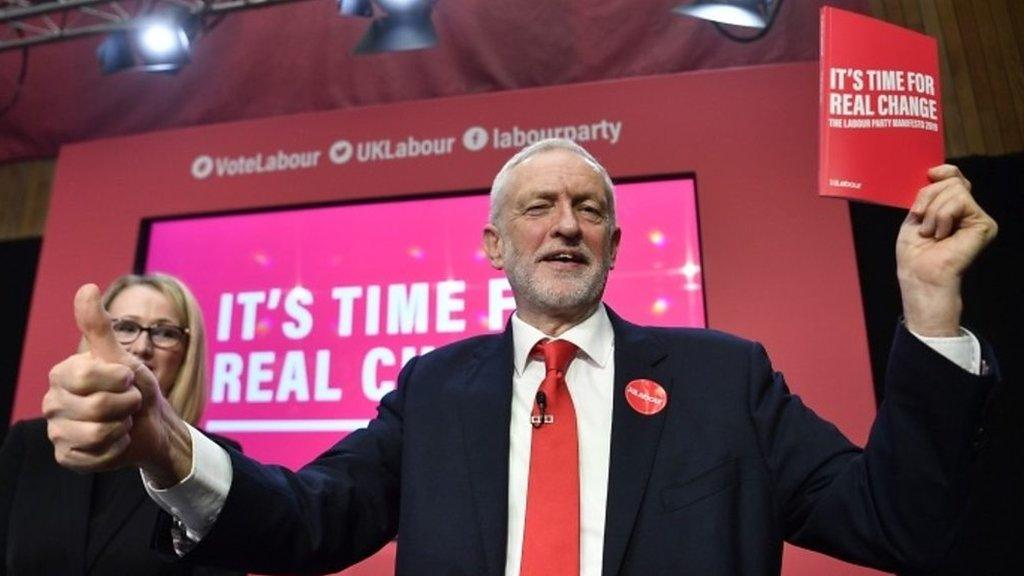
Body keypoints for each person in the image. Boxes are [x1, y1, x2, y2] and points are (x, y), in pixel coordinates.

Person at [43, 139, 999, 576]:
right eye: (537, 208)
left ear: (618, 248)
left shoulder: (726, 376)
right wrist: (171, 452)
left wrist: (927, 307)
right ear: (495, 247)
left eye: (589, 209)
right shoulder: (434, 388)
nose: (566, 226)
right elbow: (309, 523)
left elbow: (900, 527)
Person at [0, 274, 244, 576]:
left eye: (165, 333)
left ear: (186, 355)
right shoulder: (30, 443)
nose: (142, 347)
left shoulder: (213, 460)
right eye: (126, 328)